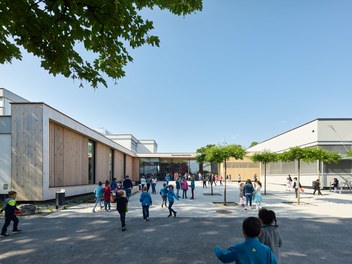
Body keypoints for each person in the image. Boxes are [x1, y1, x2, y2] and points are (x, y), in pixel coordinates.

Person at [214, 217, 278, 264]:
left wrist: (217, 249)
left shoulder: (238, 248)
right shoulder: (267, 250)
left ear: (243, 231)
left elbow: (223, 257)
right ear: (260, 233)